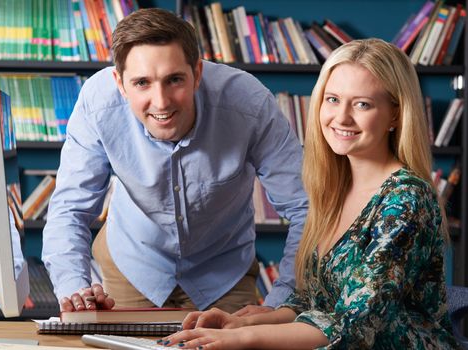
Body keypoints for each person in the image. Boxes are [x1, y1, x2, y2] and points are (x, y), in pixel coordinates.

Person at [163, 38, 461, 349]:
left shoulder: (406, 199)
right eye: (332, 99)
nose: (341, 117)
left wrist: (241, 338)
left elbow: (353, 325)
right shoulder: (334, 188)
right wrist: (245, 321)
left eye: (362, 104)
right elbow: (314, 301)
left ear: (396, 114)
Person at [41, 8, 308, 314]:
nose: (161, 102)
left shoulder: (249, 104)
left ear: (197, 73)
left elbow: (306, 206)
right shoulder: (97, 104)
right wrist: (74, 287)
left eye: (174, 80)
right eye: (142, 83)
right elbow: (70, 208)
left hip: (222, 272)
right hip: (133, 266)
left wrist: (281, 303)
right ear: (119, 82)